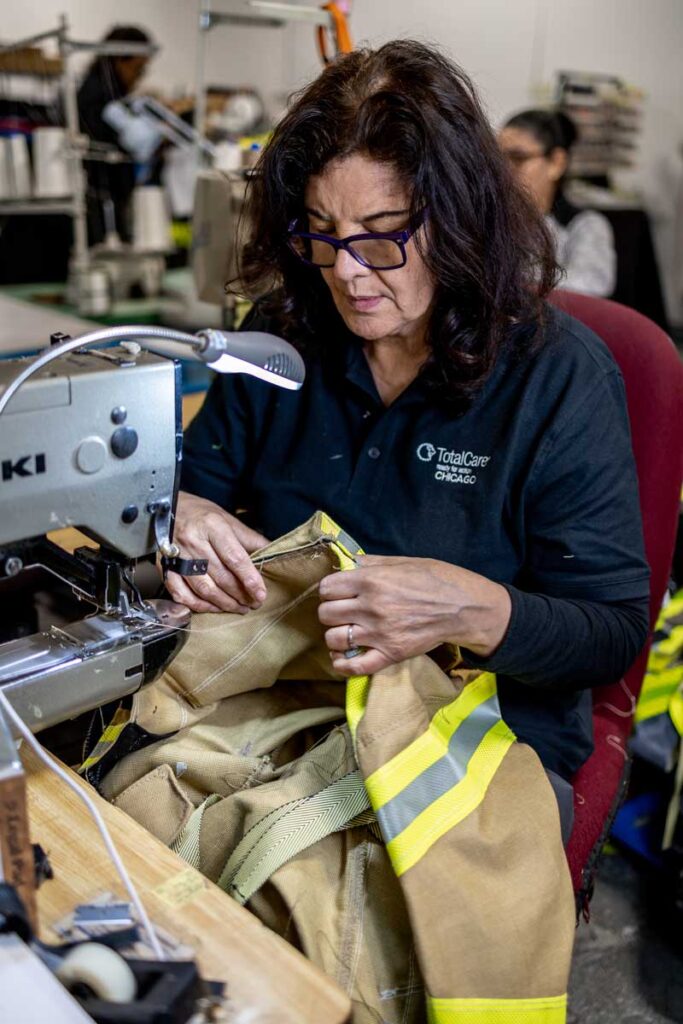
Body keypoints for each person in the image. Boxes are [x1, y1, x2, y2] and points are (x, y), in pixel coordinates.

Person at [168, 41, 650, 830]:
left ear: (459, 219)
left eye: (383, 233)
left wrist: (474, 611)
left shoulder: (556, 376)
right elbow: (187, 497)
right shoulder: (287, 334)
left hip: (475, 736)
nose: (347, 272)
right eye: (320, 231)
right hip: (278, 698)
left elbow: (610, 633)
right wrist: (183, 515)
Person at [499, 108, 617, 297]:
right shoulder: (491, 219)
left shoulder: (584, 224)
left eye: (518, 159)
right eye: (498, 160)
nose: (504, 170)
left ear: (557, 163)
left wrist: (511, 277)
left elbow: (592, 282)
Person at [77, 25, 158, 244]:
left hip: (110, 195)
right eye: (138, 69)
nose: (139, 78)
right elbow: (122, 142)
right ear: (120, 60)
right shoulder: (96, 96)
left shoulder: (108, 93)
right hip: (101, 197)